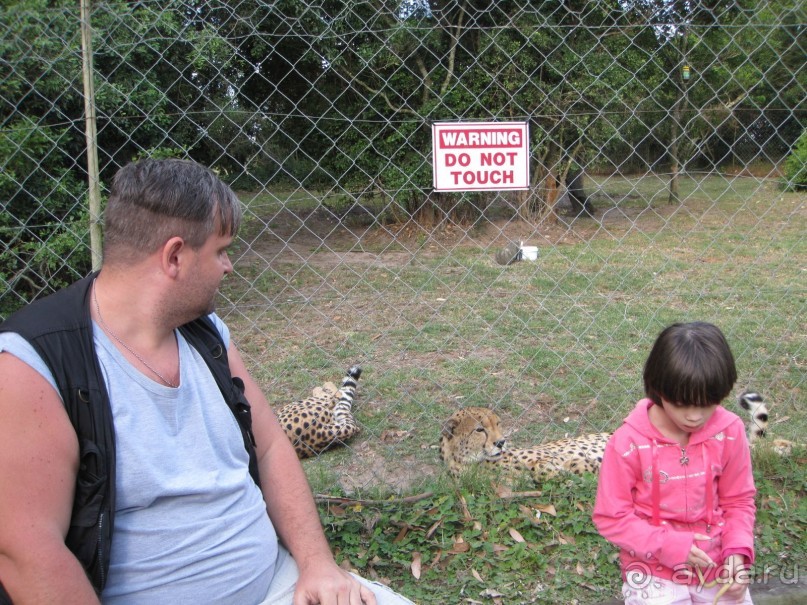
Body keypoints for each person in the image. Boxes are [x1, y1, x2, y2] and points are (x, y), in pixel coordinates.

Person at [0, 158, 415, 605]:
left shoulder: (206, 332)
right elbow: (26, 552)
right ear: (174, 256)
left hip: (278, 585)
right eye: (221, 250)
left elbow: (271, 447)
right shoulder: (36, 363)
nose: (229, 266)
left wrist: (317, 565)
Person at [593, 322, 756, 605]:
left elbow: (739, 501)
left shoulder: (729, 432)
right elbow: (612, 517)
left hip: (714, 566)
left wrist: (736, 554)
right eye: (682, 403)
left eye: (708, 403)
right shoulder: (628, 444)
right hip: (652, 569)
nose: (694, 416)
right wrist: (670, 546)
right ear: (658, 387)